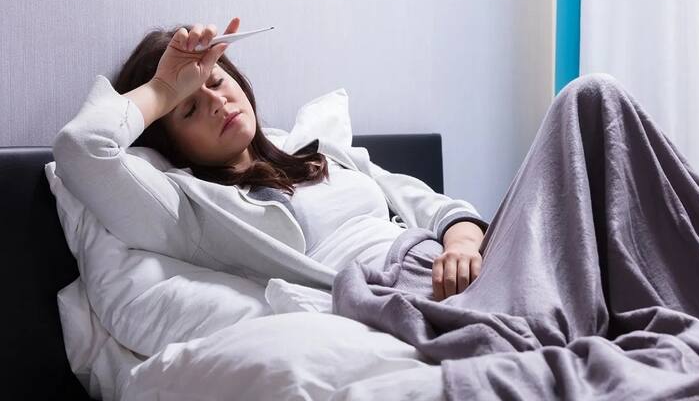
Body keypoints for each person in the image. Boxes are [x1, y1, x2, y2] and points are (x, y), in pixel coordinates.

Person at [53, 17, 489, 299]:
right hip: (401, 290)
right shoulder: (193, 211)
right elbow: (83, 148)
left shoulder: (320, 152)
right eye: (188, 108)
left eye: (217, 82)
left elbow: (439, 208)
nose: (216, 103)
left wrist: (463, 245)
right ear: (171, 145)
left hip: (461, 264)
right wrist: (163, 88)